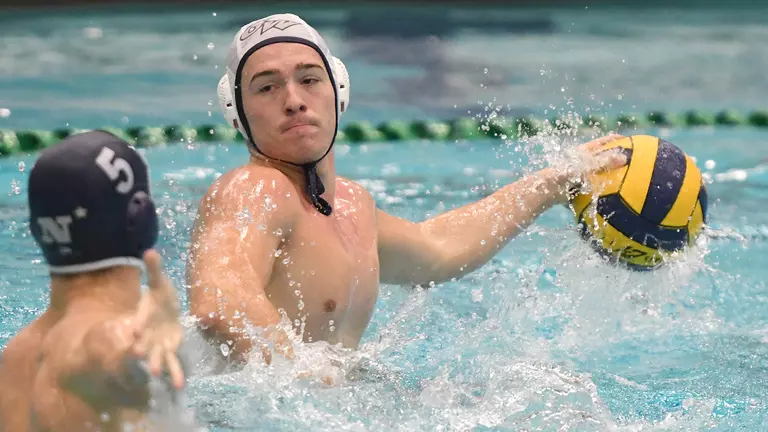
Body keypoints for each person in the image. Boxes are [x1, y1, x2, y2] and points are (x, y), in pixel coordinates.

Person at [186, 13, 627, 366]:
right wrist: (304, 374)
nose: (294, 99)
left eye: (309, 79)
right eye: (267, 87)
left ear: (338, 92)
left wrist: (552, 182)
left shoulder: (352, 206)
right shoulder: (253, 188)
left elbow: (437, 249)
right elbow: (220, 301)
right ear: (238, 114)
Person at [0, 131, 186, 431]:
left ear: (38, 230)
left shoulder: (14, 358)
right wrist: (161, 342)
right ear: (141, 218)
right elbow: (127, 364)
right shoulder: (113, 337)